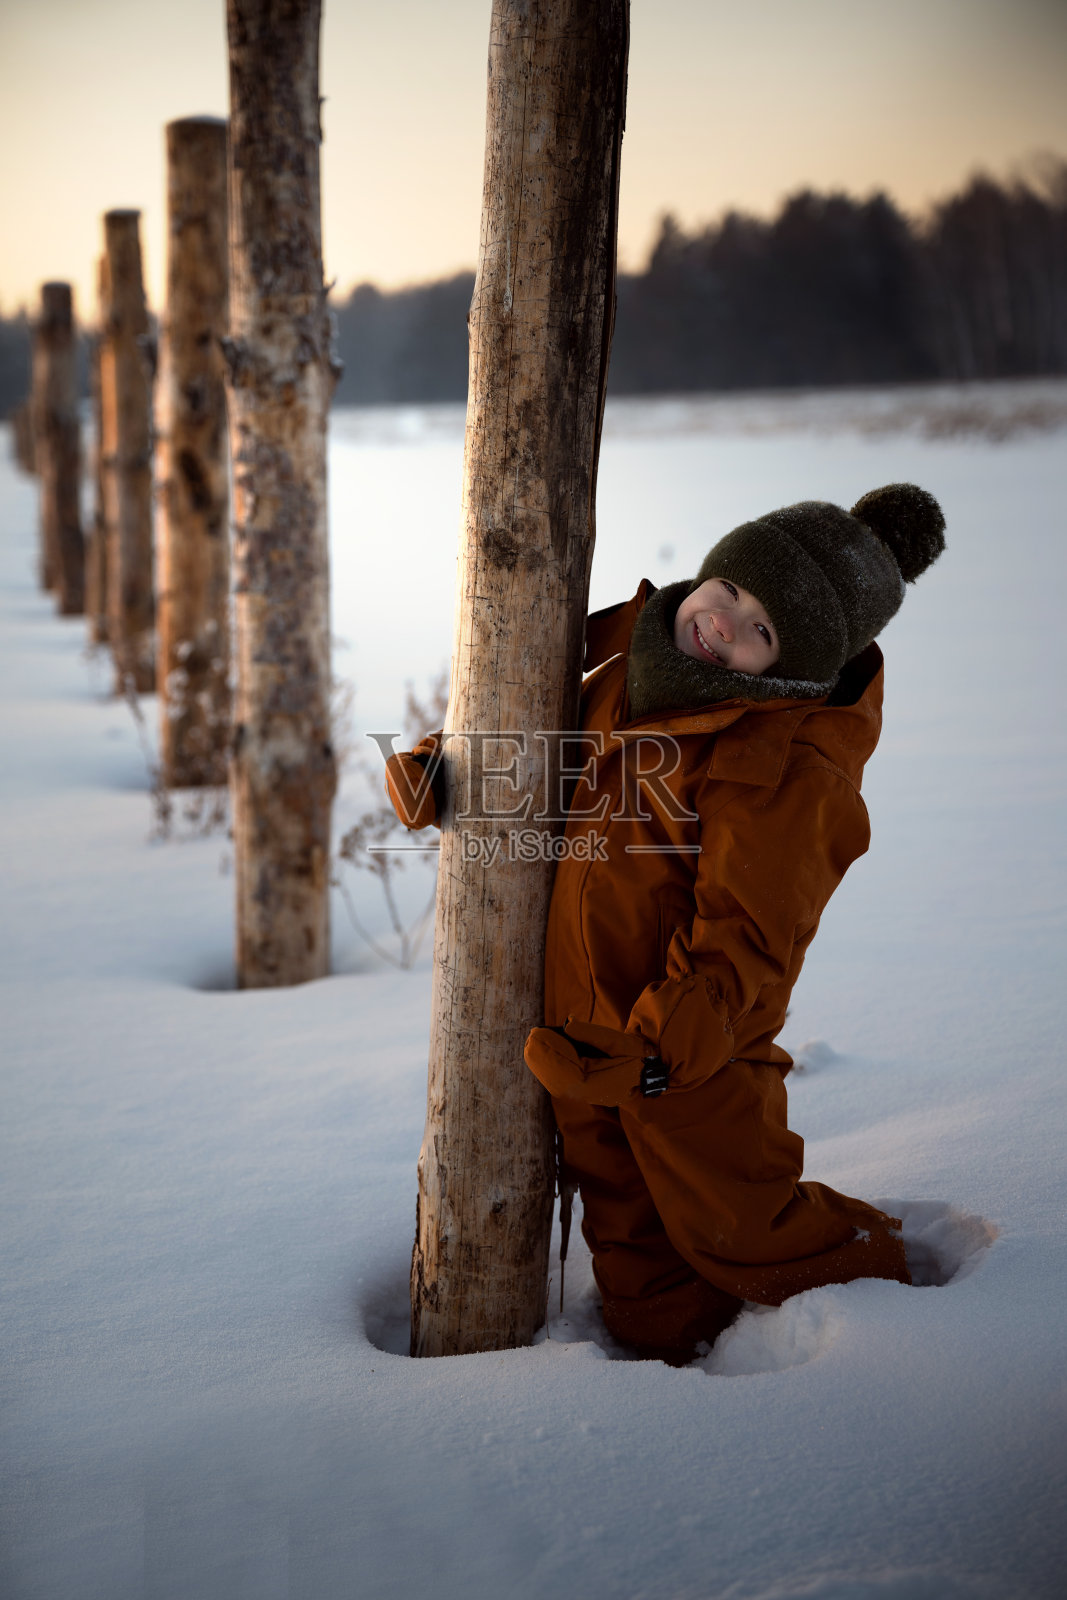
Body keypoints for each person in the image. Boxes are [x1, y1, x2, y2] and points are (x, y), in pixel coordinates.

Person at [387, 482, 946, 1362]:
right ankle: (664, 1378)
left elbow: (753, 929)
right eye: (727, 592)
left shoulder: (783, 765)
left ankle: (894, 1293)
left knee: (741, 1222)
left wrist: (660, 1051)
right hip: (581, 1040)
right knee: (630, 1245)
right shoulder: (626, 662)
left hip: (691, 1052)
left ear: (796, 670)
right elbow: (535, 738)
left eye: (760, 630)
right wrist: (446, 773)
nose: (724, 623)